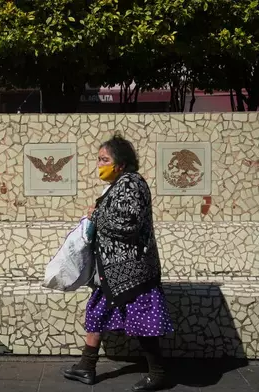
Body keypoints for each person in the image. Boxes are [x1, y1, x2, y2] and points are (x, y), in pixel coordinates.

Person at [63, 135, 174, 391]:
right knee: (97, 313)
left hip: (132, 272)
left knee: (142, 320)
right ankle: (86, 366)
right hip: (113, 272)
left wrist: (96, 215)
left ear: (121, 163)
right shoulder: (117, 185)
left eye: (104, 160)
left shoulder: (131, 184)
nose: (99, 164)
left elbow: (128, 223)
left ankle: (158, 372)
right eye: (98, 159)